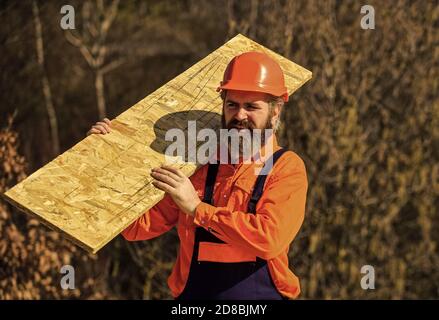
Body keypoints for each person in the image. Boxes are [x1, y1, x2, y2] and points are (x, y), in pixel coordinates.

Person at [87, 51, 308, 300]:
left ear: (275, 111)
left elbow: (269, 238)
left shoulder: (286, 168)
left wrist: (197, 208)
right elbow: (135, 228)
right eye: (232, 104)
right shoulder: (199, 167)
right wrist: (106, 158)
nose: (240, 116)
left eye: (252, 107)